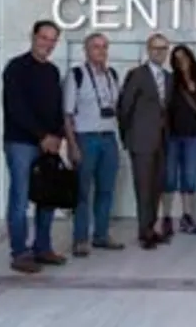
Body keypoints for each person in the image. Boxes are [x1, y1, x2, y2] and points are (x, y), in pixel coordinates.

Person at [3, 20, 66, 273]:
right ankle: (19, 252)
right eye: (44, 38)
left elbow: (57, 107)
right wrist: (42, 136)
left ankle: (43, 248)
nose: (47, 44)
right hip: (21, 143)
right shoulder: (16, 68)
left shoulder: (52, 71)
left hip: (48, 144)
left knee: (47, 197)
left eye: (52, 40)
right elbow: (16, 108)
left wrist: (58, 136)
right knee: (20, 199)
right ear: (33, 37)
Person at [63, 32, 124, 257]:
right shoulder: (76, 74)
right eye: (96, 47)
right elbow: (67, 114)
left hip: (109, 138)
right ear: (86, 50)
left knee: (106, 190)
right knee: (82, 190)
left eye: (104, 47)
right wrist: (72, 145)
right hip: (85, 138)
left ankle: (101, 235)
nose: (101, 51)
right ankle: (80, 239)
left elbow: (116, 108)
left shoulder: (112, 75)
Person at [117, 33, 173, 250]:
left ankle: (151, 227)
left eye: (163, 48)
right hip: (141, 140)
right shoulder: (137, 75)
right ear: (148, 50)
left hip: (162, 140)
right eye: (155, 48)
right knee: (143, 187)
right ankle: (144, 232)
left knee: (157, 186)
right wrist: (128, 135)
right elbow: (125, 107)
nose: (159, 52)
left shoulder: (168, 77)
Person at [165, 44, 196, 236]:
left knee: (189, 177)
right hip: (172, 135)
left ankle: (187, 216)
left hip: (193, 135)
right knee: (169, 178)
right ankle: (166, 217)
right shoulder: (170, 81)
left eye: (184, 57)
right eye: (177, 59)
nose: (182, 62)